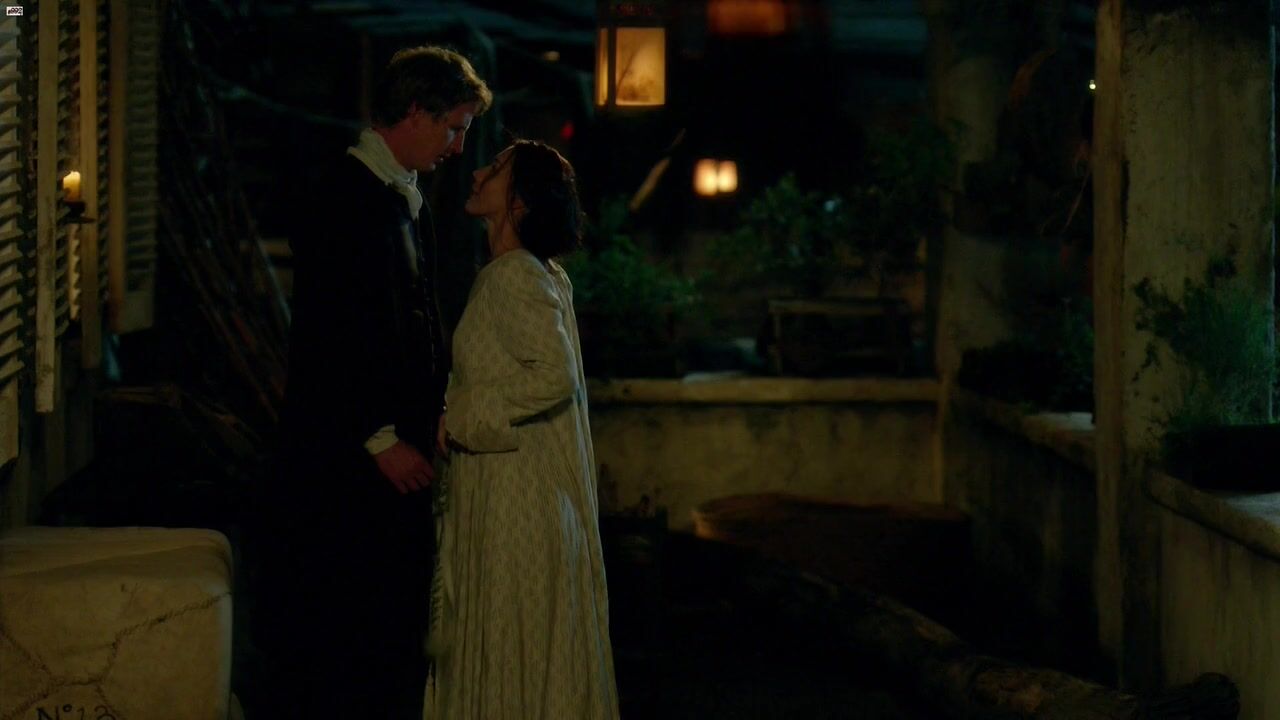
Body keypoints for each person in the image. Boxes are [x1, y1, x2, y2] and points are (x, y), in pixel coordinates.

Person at [261, 46, 491, 719]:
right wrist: (379, 436)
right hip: (349, 459)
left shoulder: (400, 197)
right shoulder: (345, 196)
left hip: (391, 449)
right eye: (452, 128)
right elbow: (333, 332)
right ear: (415, 113)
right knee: (352, 624)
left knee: (387, 621)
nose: (457, 147)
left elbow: (411, 320)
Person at [424, 140, 619, 719]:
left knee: (512, 650)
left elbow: (554, 376)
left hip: (517, 500)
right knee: (519, 652)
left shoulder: (515, 275)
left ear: (520, 203)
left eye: (497, 169)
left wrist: (460, 417)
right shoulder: (533, 274)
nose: (478, 172)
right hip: (516, 494)